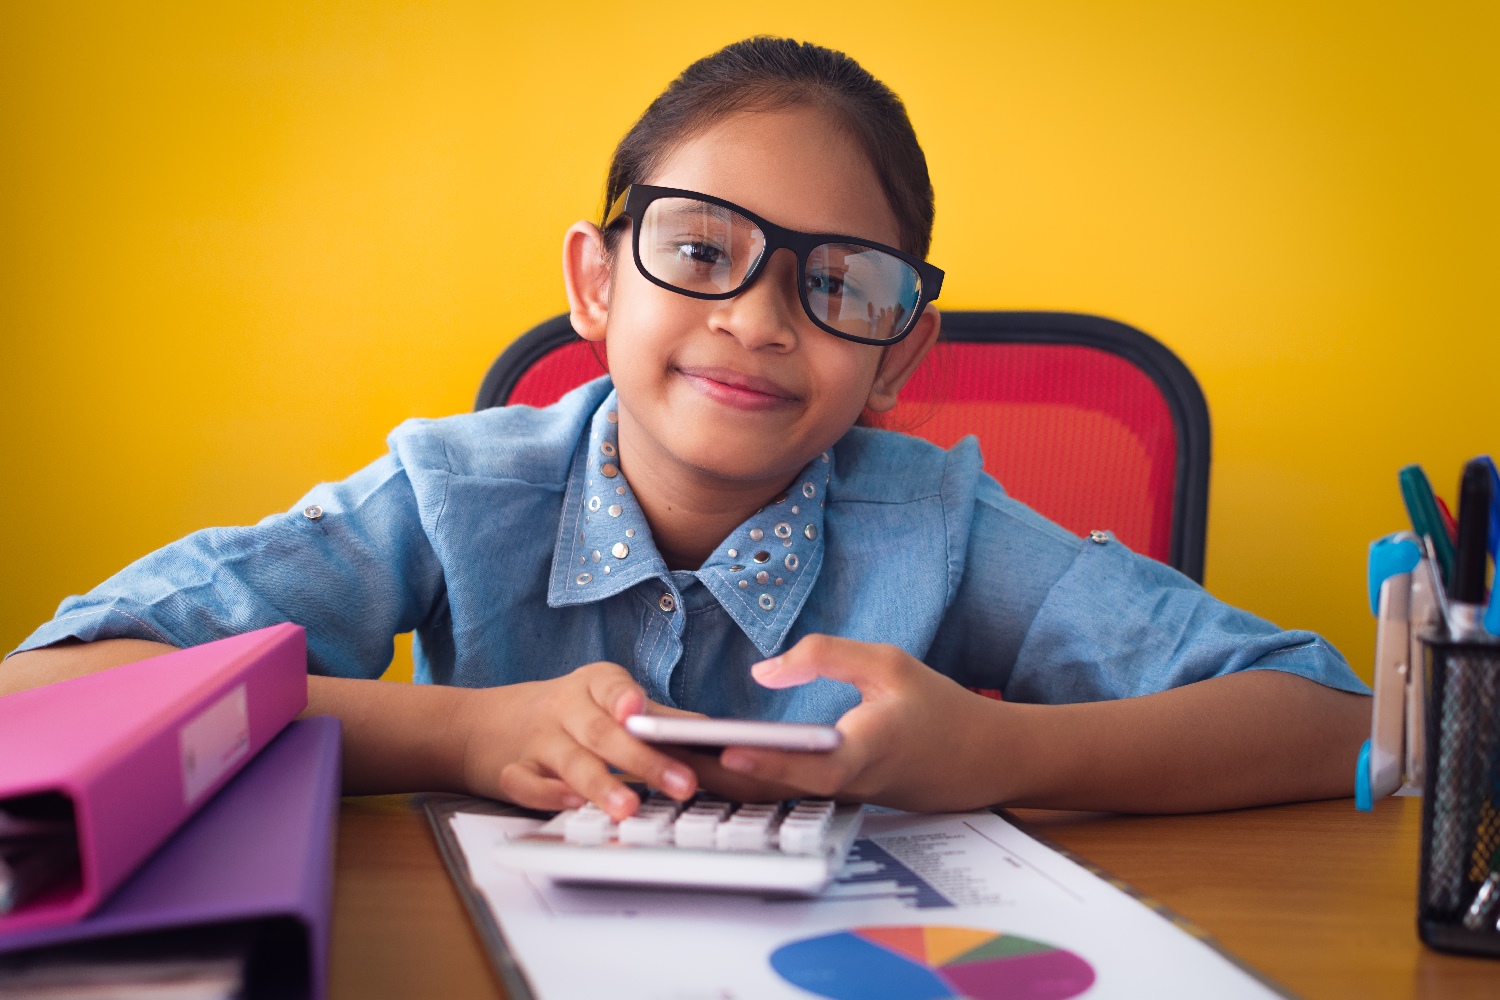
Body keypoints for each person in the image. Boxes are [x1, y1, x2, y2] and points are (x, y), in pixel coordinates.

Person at [2, 37, 1369, 820]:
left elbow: (1327, 719)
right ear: (596, 282)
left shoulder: (934, 524)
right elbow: (48, 691)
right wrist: (455, 733)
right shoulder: (450, 494)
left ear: (901, 354)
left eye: (837, 283)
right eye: (702, 250)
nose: (762, 318)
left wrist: (1001, 754)